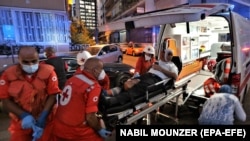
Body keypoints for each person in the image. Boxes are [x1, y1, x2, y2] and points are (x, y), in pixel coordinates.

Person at [0, 46, 61, 141]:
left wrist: (43, 116)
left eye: (34, 61)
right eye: (25, 62)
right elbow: (5, 100)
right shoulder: (8, 75)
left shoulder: (49, 72)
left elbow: (53, 95)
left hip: (46, 121)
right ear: (19, 59)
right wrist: (24, 115)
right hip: (21, 122)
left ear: (38, 59)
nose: (30, 64)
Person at [52, 57, 112, 141]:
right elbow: (90, 117)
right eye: (101, 69)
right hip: (75, 131)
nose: (102, 72)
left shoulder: (72, 78)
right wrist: (100, 130)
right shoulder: (93, 86)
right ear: (95, 71)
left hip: (58, 126)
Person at [104, 48, 178, 108]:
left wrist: (161, 69)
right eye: (163, 53)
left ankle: (112, 101)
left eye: (169, 54)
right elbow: (142, 69)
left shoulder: (172, 65)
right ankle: (108, 93)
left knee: (137, 88)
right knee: (129, 82)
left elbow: (175, 76)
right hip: (147, 75)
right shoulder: (157, 62)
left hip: (156, 79)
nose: (162, 54)